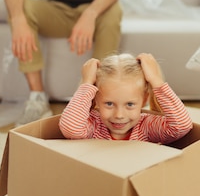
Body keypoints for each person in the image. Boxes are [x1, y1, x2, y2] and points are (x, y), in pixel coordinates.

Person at [59, 52, 193, 143]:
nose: (119, 115)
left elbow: (181, 126)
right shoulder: (93, 125)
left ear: (144, 100)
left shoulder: (146, 126)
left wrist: (155, 80)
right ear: (96, 99)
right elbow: (70, 129)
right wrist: (87, 82)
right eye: (109, 104)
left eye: (129, 104)